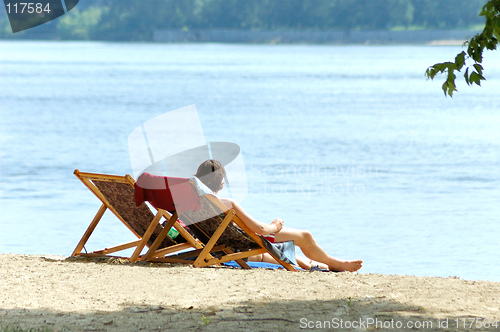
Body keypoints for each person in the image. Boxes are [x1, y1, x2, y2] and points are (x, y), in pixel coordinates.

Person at [194, 159, 363, 272]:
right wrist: (276, 225)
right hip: (246, 242)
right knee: (305, 236)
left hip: (226, 242)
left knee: (301, 261)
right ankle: (337, 264)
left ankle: (332, 264)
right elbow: (259, 229)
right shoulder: (226, 203)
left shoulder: (192, 204)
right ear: (220, 181)